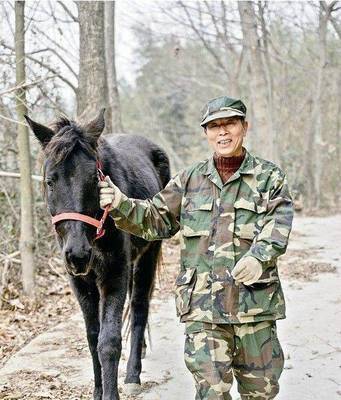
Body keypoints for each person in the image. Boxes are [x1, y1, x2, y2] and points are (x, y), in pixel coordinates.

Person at [99, 96, 294, 400]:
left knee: (261, 393)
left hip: (254, 308)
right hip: (204, 314)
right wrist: (119, 203)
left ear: (244, 126)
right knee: (210, 394)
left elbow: (278, 224)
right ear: (206, 133)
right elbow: (154, 219)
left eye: (230, 123)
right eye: (214, 126)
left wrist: (259, 256)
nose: (223, 132)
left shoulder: (270, 178)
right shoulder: (188, 181)